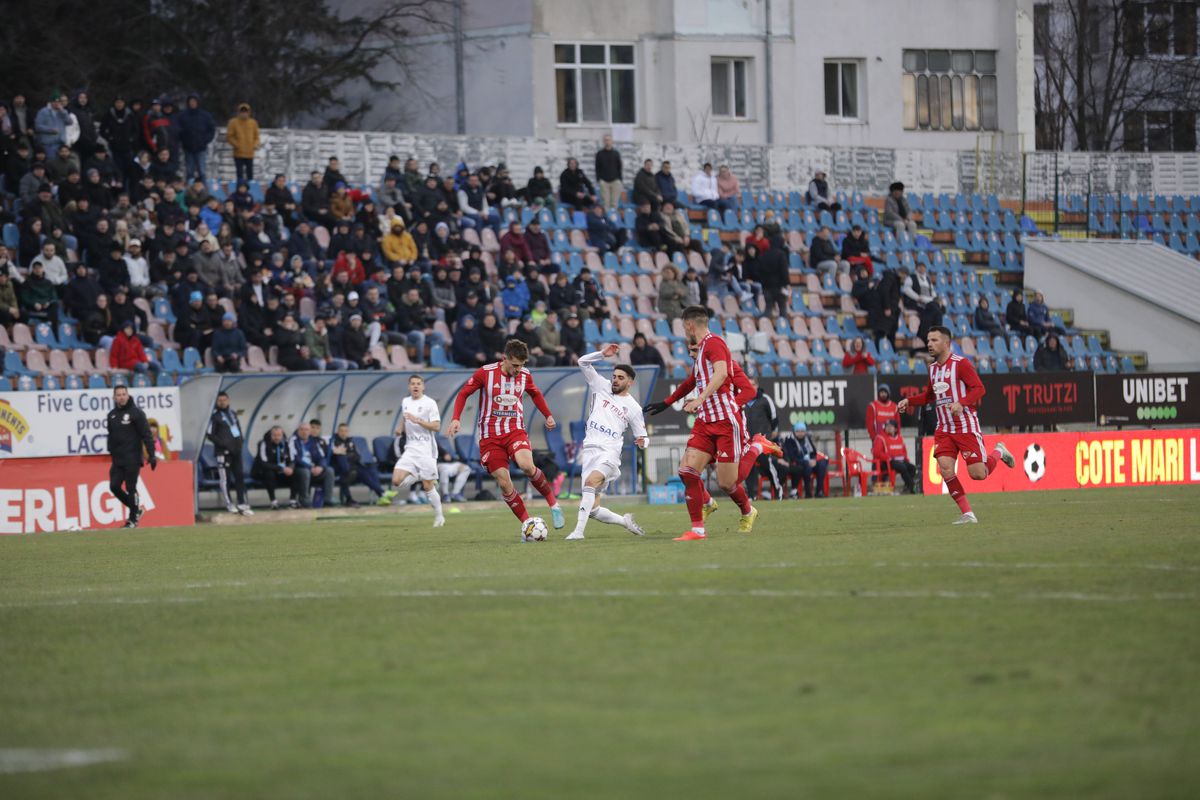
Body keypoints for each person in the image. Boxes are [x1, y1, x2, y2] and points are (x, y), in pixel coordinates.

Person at [897, 326, 1016, 524]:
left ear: (946, 343)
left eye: (934, 340)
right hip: (944, 428)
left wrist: (962, 403)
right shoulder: (933, 369)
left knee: (978, 474)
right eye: (928, 340)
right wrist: (909, 401)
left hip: (965, 426)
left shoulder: (961, 364)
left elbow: (979, 389)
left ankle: (999, 452)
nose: (929, 344)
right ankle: (968, 513)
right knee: (945, 468)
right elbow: (928, 396)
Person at [446, 339, 565, 536]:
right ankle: (528, 524)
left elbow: (535, 394)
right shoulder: (485, 373)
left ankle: (554, 505)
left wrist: (548, 415)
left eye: (522, 365)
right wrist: (455, 418)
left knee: (527, 465)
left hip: (514, 430)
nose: (519, 370)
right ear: (505, 359)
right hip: (489, 436)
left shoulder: (525, 375)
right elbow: (463, 393)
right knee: (503, 481)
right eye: (515, 365)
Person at [670, 306, 761, 540]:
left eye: (683, 327)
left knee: (727, 482)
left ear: (690, 325)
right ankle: (698, 529)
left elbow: (721, 375)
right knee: (687, 470)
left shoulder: (714, 343)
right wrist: (690, 399)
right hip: (705, 421)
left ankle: (748, 509)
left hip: (724, 422)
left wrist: (700, 399)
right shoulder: (700, 351)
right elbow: (698, 382)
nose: (684, 332)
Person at [565, 345, 649, 540]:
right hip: (590, 450)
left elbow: (644, 437)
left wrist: (642, 442)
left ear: (630, 382)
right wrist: (602, 354)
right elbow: (582, 362)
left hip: (609, 453)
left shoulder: (634, 408)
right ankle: (625, 521)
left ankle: (578, 532)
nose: (615, 380)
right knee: (593, 510)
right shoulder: (600, 385)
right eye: (614, 376)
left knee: (589, 482)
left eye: (621, 378)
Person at [376, 375, 447, 527]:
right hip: (410, 448)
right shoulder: (405, 401)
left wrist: (418, 421)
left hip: (426, 449)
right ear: (409, 387)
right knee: (396, 480)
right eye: (413, 384)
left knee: (428, 486)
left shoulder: (430, 403)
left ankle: (439, 515)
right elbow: (405, 416)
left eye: (418, 384)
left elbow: (436, 426)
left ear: (423, 387)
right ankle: (417, 476)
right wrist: (400, 428)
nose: (415, 386)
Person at [106, 385, 157, 528]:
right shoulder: (112, 415)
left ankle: (132, 519)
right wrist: (111, 449)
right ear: (114, 397)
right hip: (118, 460)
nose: (121, 397)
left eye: (124, 394)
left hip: (132, 458)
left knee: (131, 487)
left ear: (127, 395)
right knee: (114, 486)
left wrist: (152, 455)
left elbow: (146, 435)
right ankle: (136, 510)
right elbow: (111, 435)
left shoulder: (137, 413)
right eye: (118, 395)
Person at [207, 391, 252, 515]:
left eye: (224, 400)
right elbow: (210, 434)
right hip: (223, 452)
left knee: (239, 477)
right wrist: (223, 444)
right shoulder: (214, 416)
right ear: (217, 402)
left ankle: (242, 503)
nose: (222, 402)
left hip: (236, 451)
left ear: (228, 400)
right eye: (220, 400)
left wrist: (240, 442)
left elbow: (238, 429)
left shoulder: (232, 414)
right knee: (225, 479)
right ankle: (229, 504)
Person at [780, 421, 828, 499]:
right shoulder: (789, 440)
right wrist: (805, 461)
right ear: (794, 431)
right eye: (798, 431)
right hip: (798, 463)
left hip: (809, 462)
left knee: (822, 465)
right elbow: (791, 457)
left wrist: (813, 460)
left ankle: (819, 491)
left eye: (802, 431)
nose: (800, 433)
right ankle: (808, 492)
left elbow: (813, 452)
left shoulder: (807, 439)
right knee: (807, 467)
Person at [177, 94, 216, 182]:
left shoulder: (205, 115)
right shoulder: (182, 116)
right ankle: (188, 191)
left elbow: (212, 129)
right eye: (191, 101)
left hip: (201, 148)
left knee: (202, 172)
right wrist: (183, 140)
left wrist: (205, 140)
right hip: (188, 148)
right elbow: (178, 130)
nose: (192, 103)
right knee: (189, 172)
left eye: (194, 101)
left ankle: (204, 191)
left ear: (198, 102)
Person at [873, 419, 916, 494]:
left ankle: (907, 487)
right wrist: (888, 457)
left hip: (900, 461)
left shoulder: (899, 438)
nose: (888, 428)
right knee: (902, 467)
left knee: (912, 468)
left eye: (891, 426)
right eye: (887, 426)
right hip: (886, 462)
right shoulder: (880, 438)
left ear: (895, 429)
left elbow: (904, 451)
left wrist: (906, 459)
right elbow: (876, 452)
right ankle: (911, 487)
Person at [226, 103, 259, 183]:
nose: (244, 113)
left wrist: (254, 145)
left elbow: (256, 137)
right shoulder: (233, 122)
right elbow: (229, 136)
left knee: (250, 174)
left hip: (249, 153)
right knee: (239, 174)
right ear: (238, 112)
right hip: (238, 153)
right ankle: (239, 190)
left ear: (249, 112)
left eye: (246, 111)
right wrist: (237, 145)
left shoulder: (253, 122)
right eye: (242, 111)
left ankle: (250, 190)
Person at [594, 135, 623, 211]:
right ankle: (607, 219)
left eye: (609, 140)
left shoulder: (616, 153)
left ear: (612, 142)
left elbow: (619, 167)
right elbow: (597, 167)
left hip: (615, 181)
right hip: (604, 181)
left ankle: (613, 219)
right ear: (603, 142)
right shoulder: (599, 154)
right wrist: (599, 179)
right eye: (606, 140)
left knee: (614, 203)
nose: (607, 142)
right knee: (605, 203)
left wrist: (619, 179)